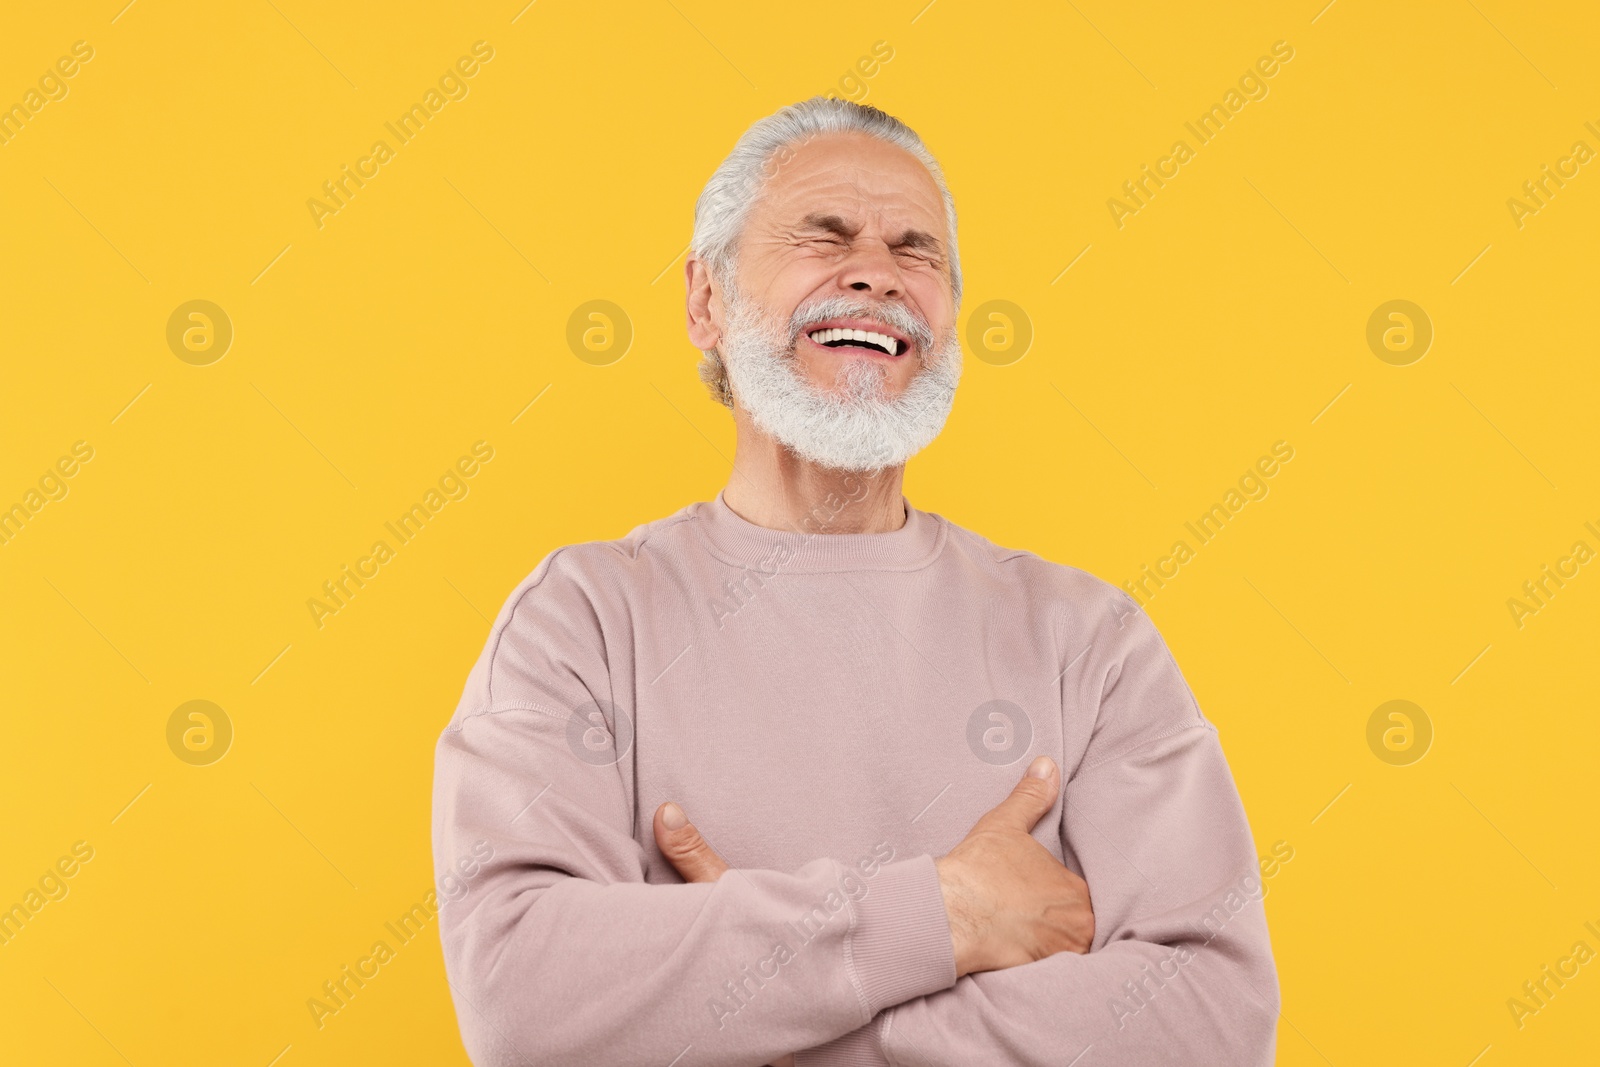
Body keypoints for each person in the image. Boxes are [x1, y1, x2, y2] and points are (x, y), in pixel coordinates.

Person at [432, 96, 1278, 1066]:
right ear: (704, 300)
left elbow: (1212, 1019)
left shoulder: (1091, 639)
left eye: (916, 251)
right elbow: (525, 1001)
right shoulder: (578, 620)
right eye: (822, 236)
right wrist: (951, 915)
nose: (875, 274)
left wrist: (765, 1006)